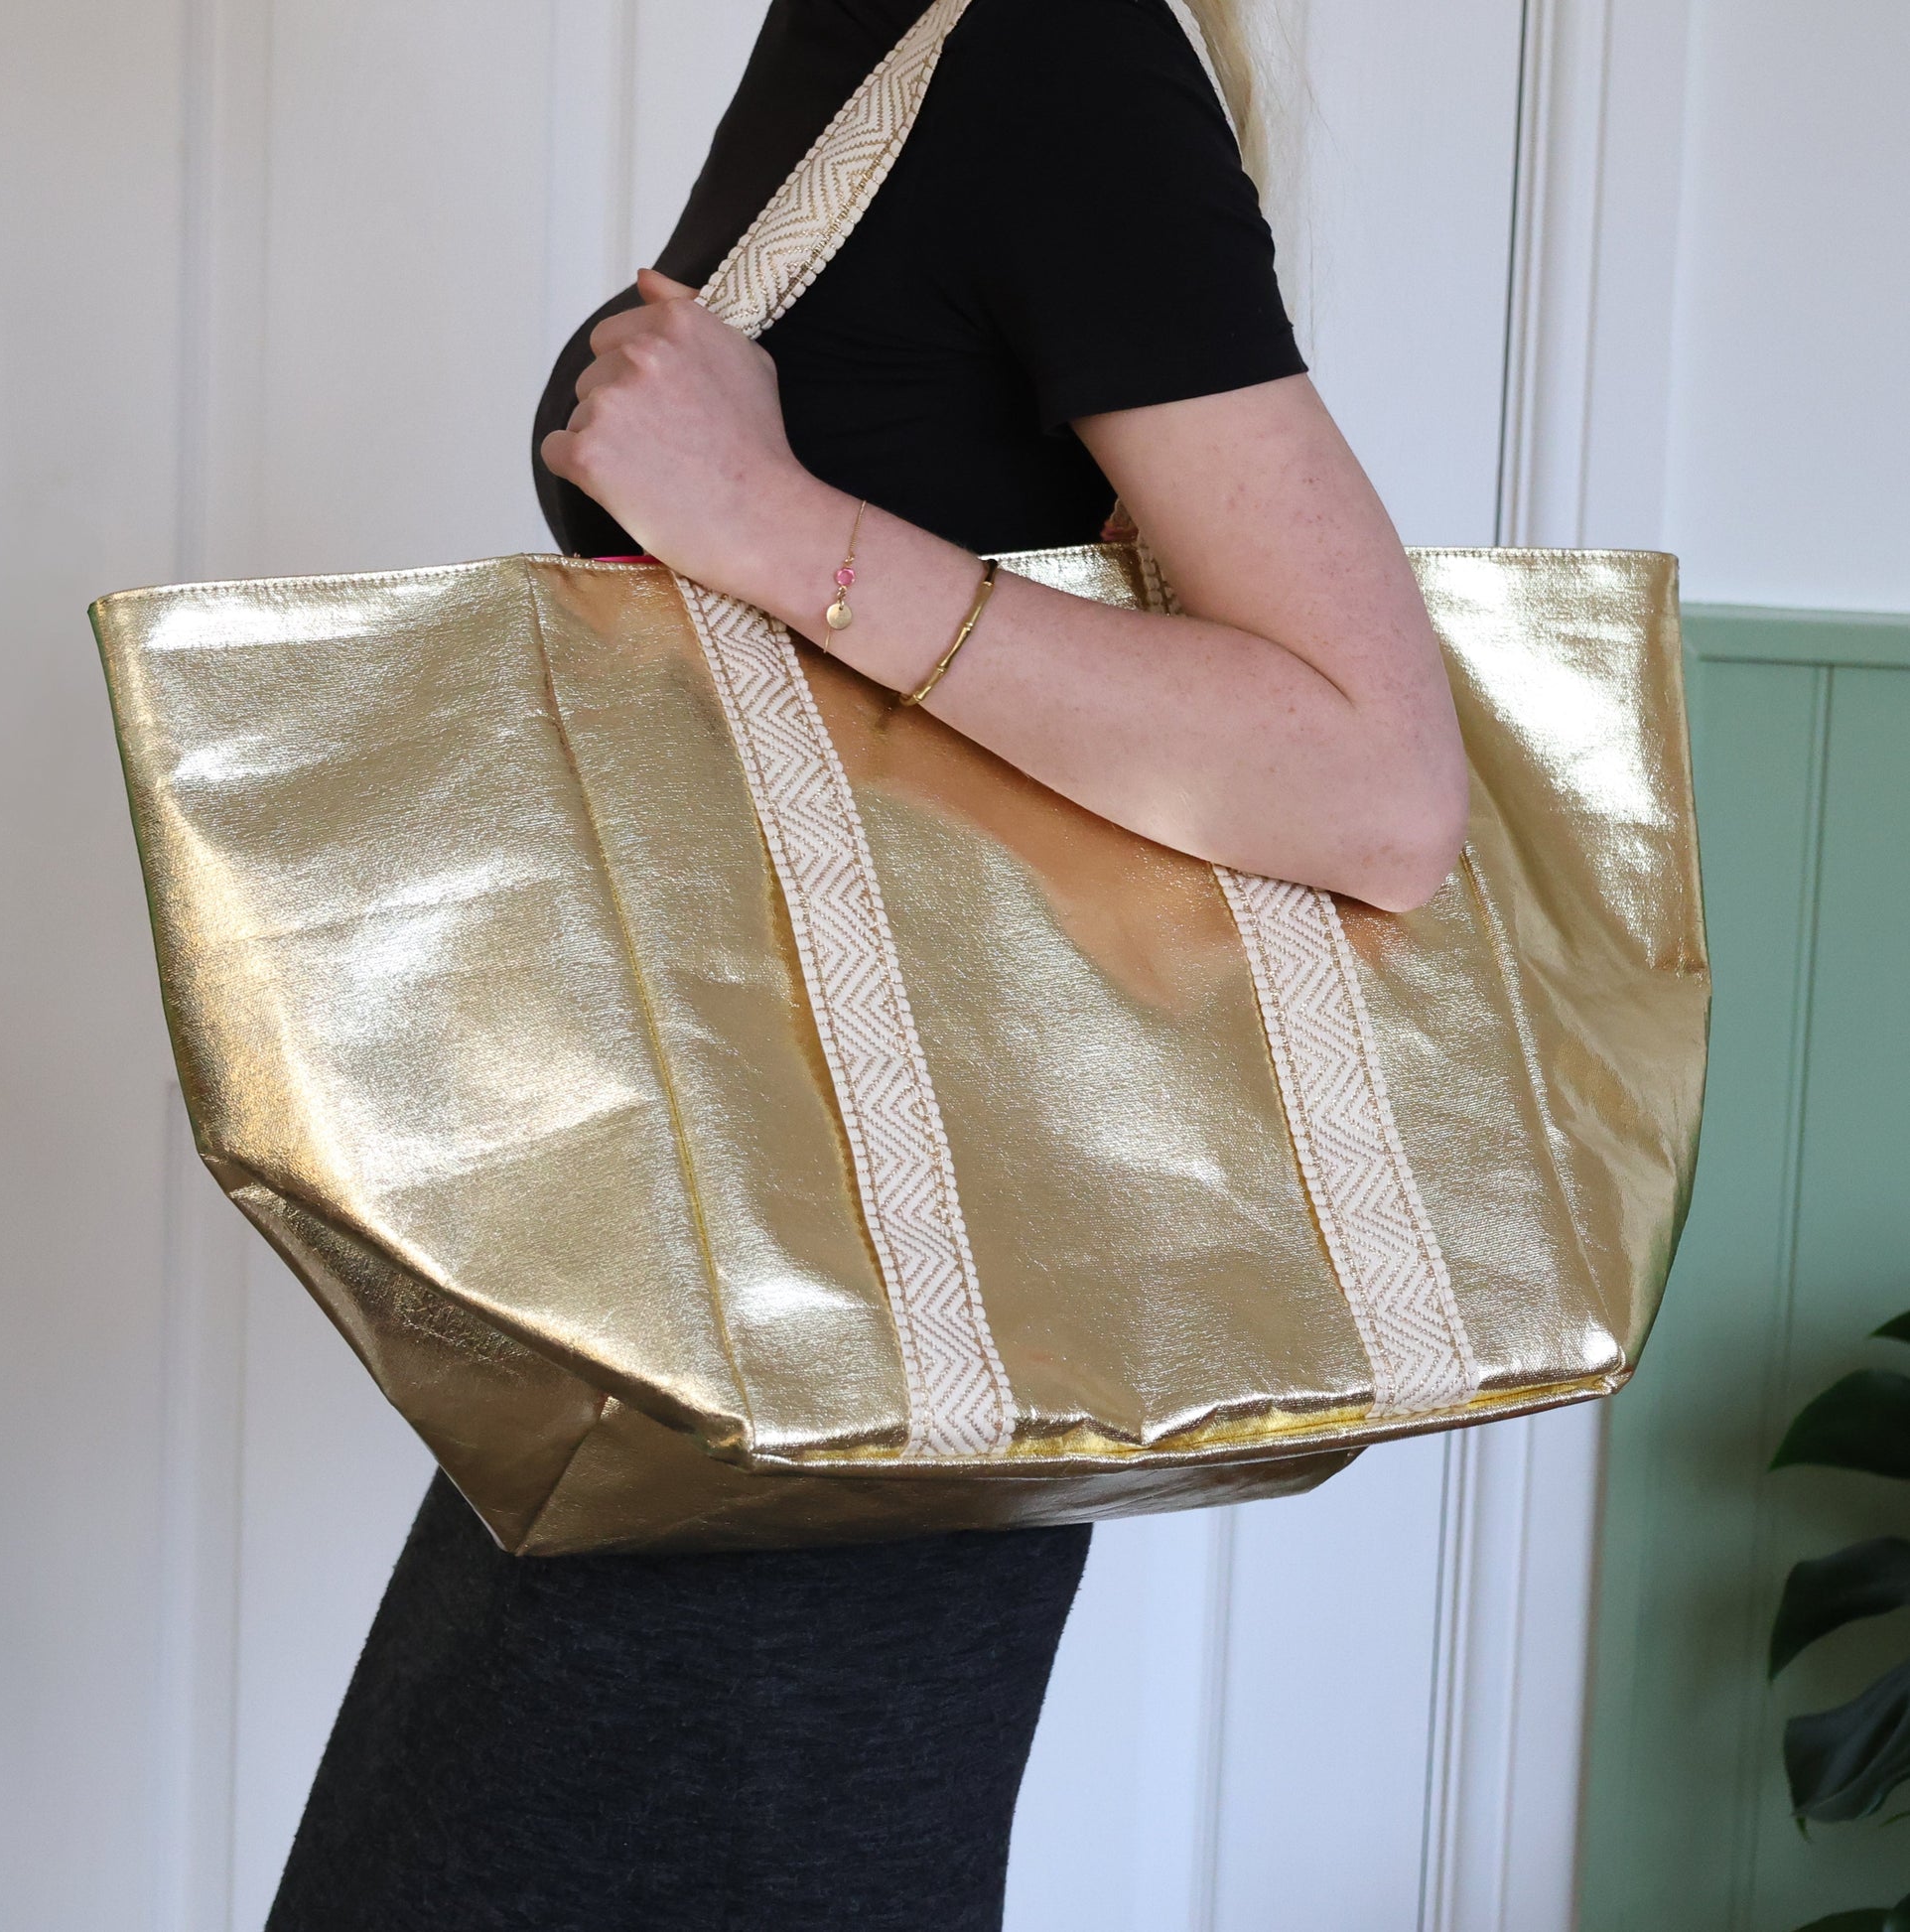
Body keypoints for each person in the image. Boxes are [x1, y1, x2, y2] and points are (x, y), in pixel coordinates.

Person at [267, 2, 1466, 1927]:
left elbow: (1376, 777)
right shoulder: (871, 31)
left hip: (835, 1416)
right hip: (692, 1347)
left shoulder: (1047, 47)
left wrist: (768, 522)